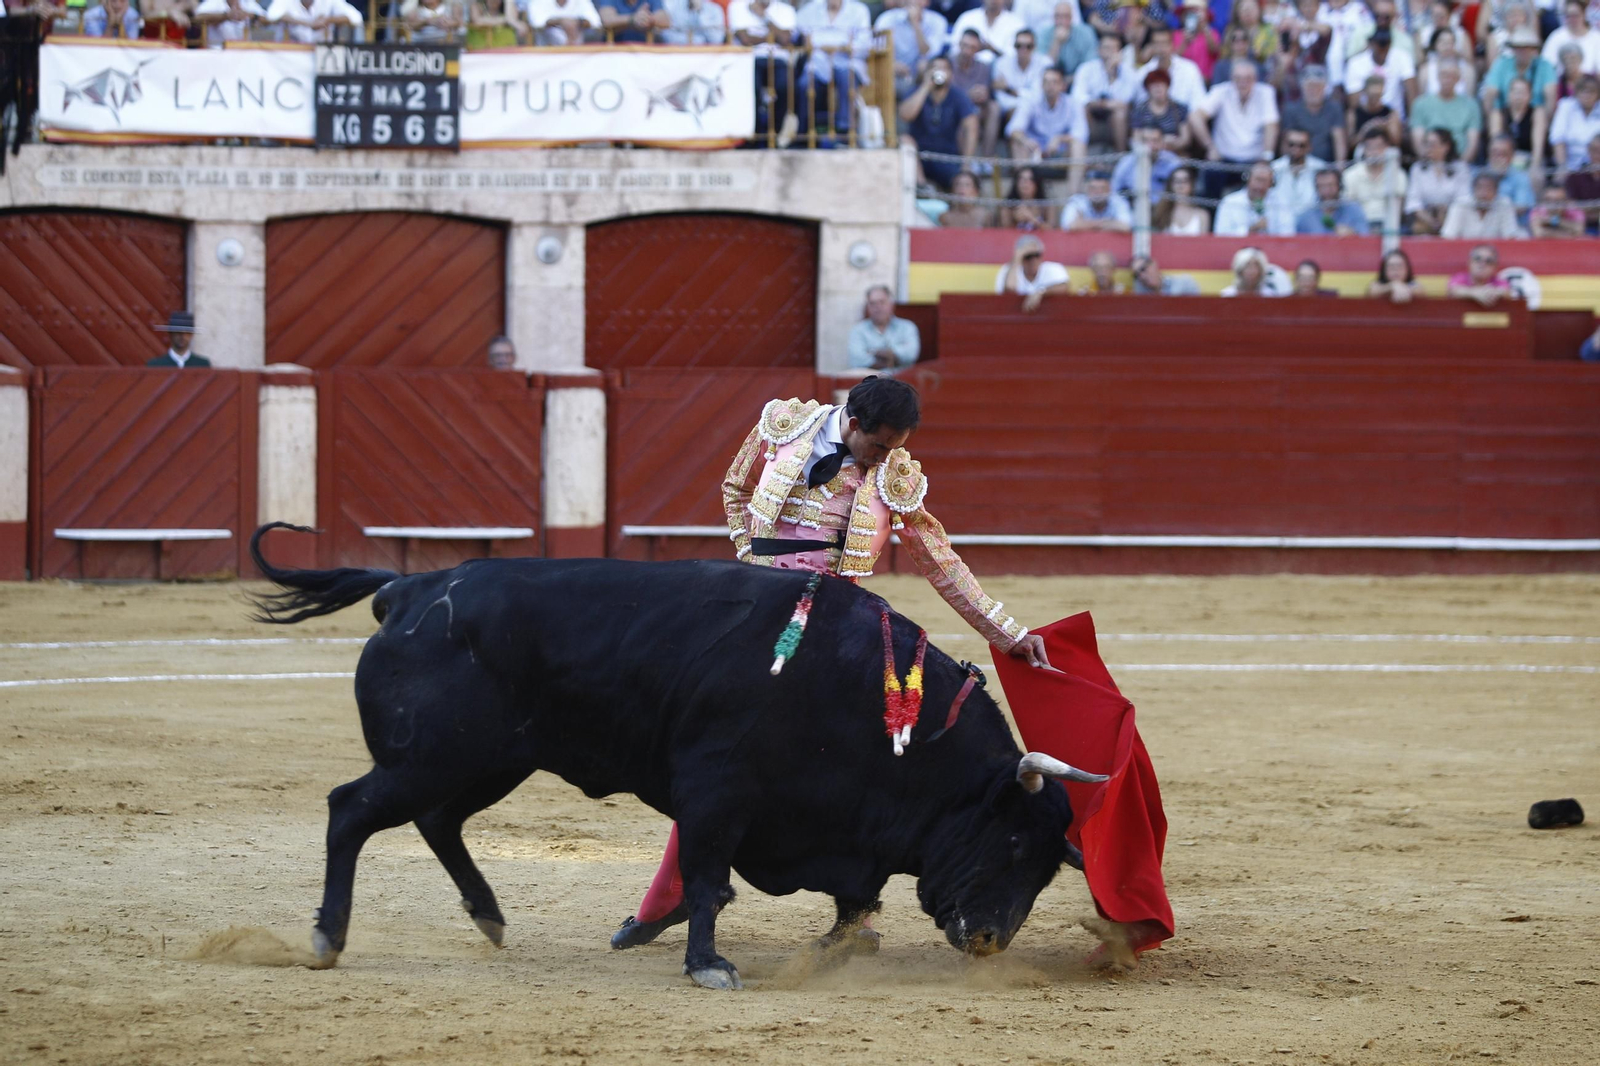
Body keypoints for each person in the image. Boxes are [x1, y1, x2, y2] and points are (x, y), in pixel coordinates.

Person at [608, 377, 1056, 953]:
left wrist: (1007, 631)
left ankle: (857, 919)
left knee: (856, 772)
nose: (884, 458)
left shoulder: (894, 475)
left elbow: (938, 558)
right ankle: (669, 898)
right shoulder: (783, 426)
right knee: (720, 754)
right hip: (764, 619)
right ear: (852, 420)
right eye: (878, 445)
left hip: (843, 633)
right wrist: (753, 567)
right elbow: (735, 488)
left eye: (895, 447)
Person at [1189, 59, 1280, 201]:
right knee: (1211, 175)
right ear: (1232, 78)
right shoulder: (1221, 91)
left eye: (1248, 78)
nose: (1243, 82)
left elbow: (1271, 125)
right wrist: (1210, 147)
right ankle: (1212, 219)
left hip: (1254, 160)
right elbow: (1195, 117)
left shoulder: (1265, 92)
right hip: (1224, 159)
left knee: (1265, 178)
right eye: (1238, 78)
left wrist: (1267, 157)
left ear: (1255, 79)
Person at [902, 55, 979, 189]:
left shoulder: (958, 96)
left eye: (944, 69)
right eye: (935, 68)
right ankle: (923, 188)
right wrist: (926, 86)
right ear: (927, 72)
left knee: (963, 181)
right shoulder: (916, 91)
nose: (940, 72)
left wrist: (966, 164)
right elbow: (905, 115)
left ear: (951, 74)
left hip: (947, 157)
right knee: (905, 139)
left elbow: (971, 126)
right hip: (920, 157)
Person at [1007, 63, 1089, 174]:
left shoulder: (1073, 103)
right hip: (1033, 153)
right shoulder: (1030, 101)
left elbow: (1081, 134)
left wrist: (1060, 139)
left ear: (1063, 86)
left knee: (1078, 146)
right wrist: (1026, 141)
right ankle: (1023, 183)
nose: (1050, 86)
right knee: (1018, 142)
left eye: (1055, 82)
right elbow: (1013, 129)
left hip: (1061, 154)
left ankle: (1074, 191)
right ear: (1041, 84)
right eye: (1046, 82)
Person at [1071, 32, 1141, 151]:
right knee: (1082, 109)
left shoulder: (1128, 72)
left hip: (1116, 117)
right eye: (1106, 48)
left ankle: (1120, 155)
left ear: (1120, 51)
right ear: (1099, 50)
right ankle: (1084, 153)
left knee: (1120, 113)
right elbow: (1078, 97)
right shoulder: (1086, 69)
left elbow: (1126, 100)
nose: (1110, 52)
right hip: (1092, 114)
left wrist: (1112, 75)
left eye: (1114, 48)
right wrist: (1103, 104)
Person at [1409, 62, 1482, 164]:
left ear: (1458, 79)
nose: (1448, 79)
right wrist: (1426, 160)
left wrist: (1461, 165)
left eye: (1453, 76)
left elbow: (1473, 142)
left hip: (1459, 161)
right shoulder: (1420, 103)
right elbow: (1418, 139)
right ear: (1437, 77)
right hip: (1429, 161)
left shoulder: (1471, 105)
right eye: (1444, 74)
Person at [875, 0, 948, 99]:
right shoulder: (887, 19)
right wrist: (891, 64)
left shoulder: (938, 21)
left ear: (927, 2)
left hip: (922, 74)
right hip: (892, 72)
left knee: (926, 66)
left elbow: (928, 53)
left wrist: (915, 23)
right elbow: (876, 51)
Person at [1405, 127, 1471, 235]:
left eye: (1432, 144)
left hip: (1453, 218)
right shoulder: (1417, 168)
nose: (1428, 148)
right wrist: (1429, 219)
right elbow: (1413, 201)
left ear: (1446, 147)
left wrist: (1445, 213)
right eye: (1426, 144)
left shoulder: (1460, 168)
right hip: (1425, 218)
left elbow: (1463, 198)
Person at [950, 29, 1004, 157]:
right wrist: (966, 95)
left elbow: (986, 94)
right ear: (959, 45)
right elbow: (947, 95)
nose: (967, 51)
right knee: (967, 117)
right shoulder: (948, 63)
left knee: (994, 108)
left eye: (972, 47)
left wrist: (983, 95)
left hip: (976, 109)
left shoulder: (984, 67)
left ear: (978, 49)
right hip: (953, 110)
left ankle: (987, 158)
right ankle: (964, 162)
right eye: (965, 46)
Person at [1343, 27, 1416, 120]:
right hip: (1366, 116)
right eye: (1379, 44)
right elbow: (1354, 103)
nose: (1382, 49)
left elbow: (1412, 93)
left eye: (1386, 44)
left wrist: (1410, 122)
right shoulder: (1355, 63)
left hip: (1393, 118)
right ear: (1370, 44)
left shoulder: (1402, 57)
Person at [1481, 26, 1558, 112]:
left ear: (1533, 50)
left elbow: (1550, 94)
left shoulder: (1544, 66)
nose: (1522, 51)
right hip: (1506, 113)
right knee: (1496, 111)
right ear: (1513, 49)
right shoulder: (1501, 64)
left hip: (1535, 114)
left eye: (1526, 47)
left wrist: (1546, 120)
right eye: (1518, 47)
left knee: (1539, 111)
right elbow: (1491, 92)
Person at [1343, 126, 1407, 229]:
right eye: (1370, 148)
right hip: (1359, 227)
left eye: (1379, 147)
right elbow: (1349, 209)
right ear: (1363, 149)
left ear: (1387, 148)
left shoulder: (1399, 175)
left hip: (1389, 226)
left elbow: (1398, 210)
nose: (1374, 152)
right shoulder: (1350, 175)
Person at [1281, 64, 1347, 163]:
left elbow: (1339, 140)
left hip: (1326, 166)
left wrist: (1339, 166)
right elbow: (1286, 142)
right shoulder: (1291, 110)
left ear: (1325, 87)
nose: (1314, 91)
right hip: (1300, 165)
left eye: (1318, 87)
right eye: (1310, 86)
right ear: (1302, 87)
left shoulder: (1334, 108)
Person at [847, 286, 920, 371]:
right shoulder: (858, 330)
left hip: (901, 381)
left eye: (882, 302)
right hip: (871, 382)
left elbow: (911, 354)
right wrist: (892, 359)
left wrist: (873, 353)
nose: (877, 307)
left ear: (891, 305)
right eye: (872, 303)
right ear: (868, 307)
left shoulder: (907, 327)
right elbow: (857, 360)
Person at [996, 233, 1072, 312]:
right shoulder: (1007, 270)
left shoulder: (1054, 268)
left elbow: (1064, 287)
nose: (1033, 260)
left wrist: (1040, 292)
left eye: (1037, 255)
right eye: (1028, 256)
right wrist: (1016, 259)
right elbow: (1010, 290)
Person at [1214, 160, 1296, 234]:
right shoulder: (1229, 202)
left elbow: (1288, 234)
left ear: (1271, 184)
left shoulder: (1281, 203)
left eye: (1264, 181)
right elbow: (1220, 234)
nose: (1260, 186)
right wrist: (1250, 230)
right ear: (1248, 179)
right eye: (1258, 180)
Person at [1488, 79, 1549, 177]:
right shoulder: (1498, 113)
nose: (1518, 96)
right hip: (1504, 160)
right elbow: (1495, 146)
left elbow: (1538, 149)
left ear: (1530, 95)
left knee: (1536, 175)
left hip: (1529, 160)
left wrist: (1534, 166)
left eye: (1522, 92)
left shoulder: (1537, 113)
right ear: (1508, 94)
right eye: (1515, 91)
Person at [1137, 25, 1208, 108]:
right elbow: (1140, 105)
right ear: (1151, 46)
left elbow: (1198, 103)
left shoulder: (1190, 69)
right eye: (1157, 43)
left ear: (1172, 44)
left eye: (1164, 43)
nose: (1161, 48)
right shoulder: (1143, 72)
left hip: (1185, 119)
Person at [1441, 171, 1528, 238]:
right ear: (1473, 190)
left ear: (1496, 192)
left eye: (1489, 189)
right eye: (1480, 188)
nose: (1484, 193)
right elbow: (1449, 235)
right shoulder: (1460, 205)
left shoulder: (1504, 205)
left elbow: (1510, 236)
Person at [1112, 122, 1183, 198]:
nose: (1150, 146)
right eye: (1146, 141)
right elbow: (1115, 192)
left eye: (1155, 141)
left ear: (1162, 142)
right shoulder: (1126, 163)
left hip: (1164, 206)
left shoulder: (1173, 162)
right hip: (1133, 206)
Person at [1130, 69, 1193, 151]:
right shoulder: (1140, 109)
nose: (1158, 88)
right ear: (1148, 88)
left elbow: (1185, 139)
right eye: (1154, 85)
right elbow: (1136, 137)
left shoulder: (1179, 109)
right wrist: (1150, 141)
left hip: (1174, 152)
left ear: (1167, 86)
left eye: (1161, 84)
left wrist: (1171, 144)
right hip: (1147, 153)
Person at [1295, 166, 1370, 231]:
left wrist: (1353, 234)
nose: (1326, 191)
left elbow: (1365, 236)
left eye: (1330, 185)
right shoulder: (1306, 217)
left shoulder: (1354, 211)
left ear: (1339, 186)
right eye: (1321, 186)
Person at [1272, 126, 1327, 215]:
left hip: (1311, 222)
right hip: (1280, 221)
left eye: (1302, 145)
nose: (1296, 149)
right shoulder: (1274, 168)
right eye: (1291, 144)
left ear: (1309, 147)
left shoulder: (1320, 168)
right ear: (1285, 145)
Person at [994, 28, 1049, 116]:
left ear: (1034, 47)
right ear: (1014, 46)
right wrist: (1020, 104)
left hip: (1039, 112)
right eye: (1019, 46)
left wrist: (1011, 91)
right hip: (1010, 111)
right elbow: (1001, 97)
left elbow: (1040, 96)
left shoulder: (1044, 63)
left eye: (1028, 46)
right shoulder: (1002, 63)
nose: (1023, 50)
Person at [1550, 75, 1600, 172]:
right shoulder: (1565, 106)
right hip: (1570, 167)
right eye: (1583, 91)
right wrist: (1562, 167)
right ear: (1576, 92)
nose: (1587, 95)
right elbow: (1557, 139)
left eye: (1591, 91)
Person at [1039, 0, 1099, 79]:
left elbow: (1090, 66)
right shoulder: (1044, 33)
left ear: (1071, 17)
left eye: (1065, 16)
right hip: (1052, 83)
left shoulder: (1086, 33)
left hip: (1079, 80)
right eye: (1058, 16)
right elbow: (1043, 68)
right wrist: (1056, 43)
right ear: (1053, 18)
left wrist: (1069, 80)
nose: (1062, 21)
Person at [1060, 169, 1133, 231]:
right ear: (1087, 190)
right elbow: (1068, 225)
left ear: (1109, 190)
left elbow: (1126, 226)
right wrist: (1109, 223)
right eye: (1093, 188)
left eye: (1102, 189)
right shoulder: (1077, 202)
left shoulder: (1118, 201)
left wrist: (1084, 223)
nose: (1097, 192)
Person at [951, 0, 1026, 59]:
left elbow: (1015, 58)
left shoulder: (1017, 23)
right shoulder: (967, 18)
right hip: (968, 68)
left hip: (1000, 73)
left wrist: (992, 50)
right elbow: (954, 49)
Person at [1348, 71, 1404, 148]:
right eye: (1372, 95)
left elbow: (1397, 142)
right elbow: (1350, 145)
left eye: (1378, 95)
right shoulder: (1353, 114)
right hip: (1363, 152)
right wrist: (1365, 130)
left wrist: (1386, 129)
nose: (1375, 99)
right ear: (1365, 92)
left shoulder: (1390, 113)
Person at [1152, 164, 1213, 233]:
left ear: (1192, 185)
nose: (1180, 185)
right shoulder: (1162, 213)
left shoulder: (1202, 215)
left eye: (1185, 181)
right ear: (1171, 185)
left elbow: (1204, 243)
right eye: (1176, 181)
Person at [1542, 0, 1600, 72]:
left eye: (1575, 15)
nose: (1572, 19)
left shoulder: (1596, 38)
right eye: (1568, 16)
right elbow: (1546, 66)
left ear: (1584, 14)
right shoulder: (1556, 37)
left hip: (1589, 81)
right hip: (1561, 81)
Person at [1447, 244, 1512, 306]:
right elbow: (1453, 290)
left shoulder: (1498, 280)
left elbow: (1507, 292)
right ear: (1469, 262)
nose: (1482, 264)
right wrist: (1474, 293)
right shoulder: (1460, 277)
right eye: (1477, 259)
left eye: (1488, 261)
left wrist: (1494, 292)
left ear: (1495, 267)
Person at [1175, 0, 1224, 83]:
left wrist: (1205, 28)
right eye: (1189, 13)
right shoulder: (1177, 35)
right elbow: (1173, 58)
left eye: (1196, 12)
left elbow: (1216, 52)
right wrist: (1184, 43)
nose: (1193, 16)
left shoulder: (1212, 34)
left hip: (1206, 81)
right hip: (1182, 81)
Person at [265, 0, 364, 40]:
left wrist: (328, 20)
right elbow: (271, 15)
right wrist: (308, 24)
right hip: (294, 54)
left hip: (324, 54)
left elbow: (356, 17)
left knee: (359, 29)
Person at [999, 165, 1056, 229]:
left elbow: (1052, 231)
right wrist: (1015, 220)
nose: (1025, 183)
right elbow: (1003, 233)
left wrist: (1032, 219)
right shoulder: (1008, 205)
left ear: (1037, 183)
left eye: (1030, 179)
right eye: (1021, 179)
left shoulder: (1047, 205)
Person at [1220, 246, 1285, 296]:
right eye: (1247, 266)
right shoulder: (1228, 295)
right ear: (1240, 270)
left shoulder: (1269, 295)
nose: (1252, 271)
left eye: (1256, 266)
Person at [196, 0, 266, 44]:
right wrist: (225, 16)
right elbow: (198, 18)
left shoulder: (247, 2)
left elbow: (268, 20)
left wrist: (250, 15)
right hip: (218, 51)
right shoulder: (215, 2)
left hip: (244, 52)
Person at [529, 0, 600, 43]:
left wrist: (576, 22)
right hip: (548, 53)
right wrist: (561, 22)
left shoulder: (581, 1)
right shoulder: (538, 1)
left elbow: (595, 22)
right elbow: (536, 23)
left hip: (579, 53)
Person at [1128, 254, 1202, 293]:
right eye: (1136, 275)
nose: (1142, 276)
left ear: (1153, 264)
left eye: (1143, 269)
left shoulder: (1185, 283)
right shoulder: (1141, 293)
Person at [598, 0, 668, 39]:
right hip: (615, 52)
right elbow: (606, 20)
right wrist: (633, 19)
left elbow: (666, 21)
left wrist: (645, 18)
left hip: (645, 52)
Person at [661, 0, 725, 42]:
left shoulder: (715, 9)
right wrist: (696, 40)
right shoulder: (674, 7)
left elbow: (717, 39)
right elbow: (667, 35)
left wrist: (699, 12)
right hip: (679, 55)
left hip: (708, 58)